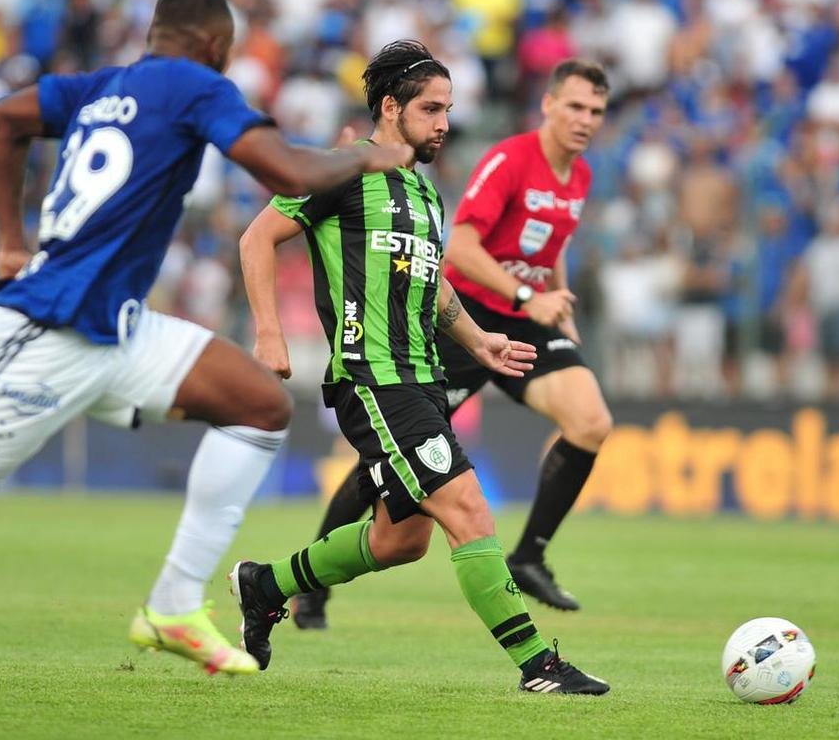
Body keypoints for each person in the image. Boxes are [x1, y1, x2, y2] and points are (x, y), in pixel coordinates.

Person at [0, 0, 414, 677]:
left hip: (115, 328)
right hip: (46, 328)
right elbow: (288, 170)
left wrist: (11, 242)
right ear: (214, 44)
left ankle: (172, 606)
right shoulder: (195, 84)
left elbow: (1, 119)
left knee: (258, 405)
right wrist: (363, 154)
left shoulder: (100, 86)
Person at [231, 41, 609, 695]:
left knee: (400, 542)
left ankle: (267, 585)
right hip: (373, 377)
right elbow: (257, 236)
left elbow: (433, 285)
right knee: (468, 508)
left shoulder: (424, 192)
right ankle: (538, 666)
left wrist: (481, 341)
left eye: (448, 110)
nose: (443, 123)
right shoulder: (341, 170)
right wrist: (269, 331)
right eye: (431, 109)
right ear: (390, 107)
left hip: (423, 377)